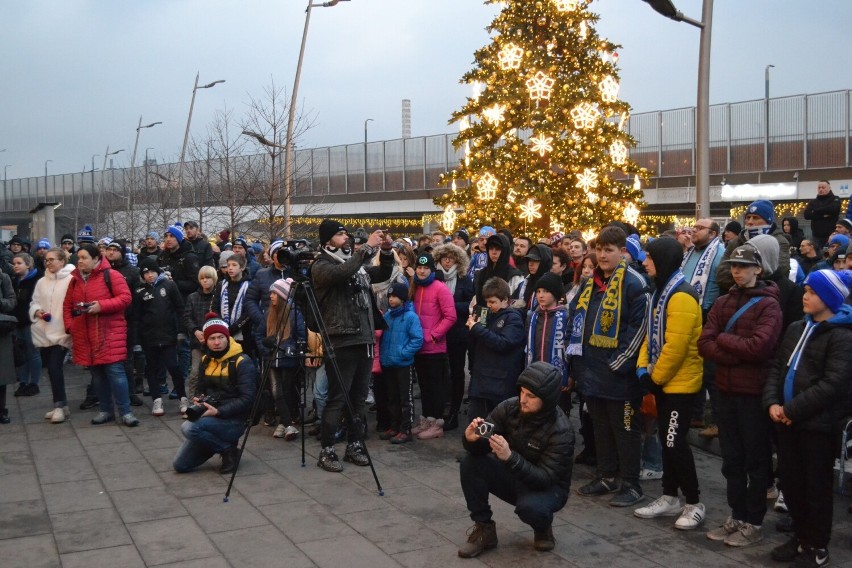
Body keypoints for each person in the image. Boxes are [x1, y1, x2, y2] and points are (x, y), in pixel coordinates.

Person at [763, 269, 852, 567]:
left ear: (828, 298)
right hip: (787, 421)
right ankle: (800, 537)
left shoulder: (841, 337)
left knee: (815, 488)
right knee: (792, 484)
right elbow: (777, 367)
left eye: (812, 292)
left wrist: (791, 410)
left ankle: (817, 543)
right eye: (806, 291)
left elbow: (832, 384)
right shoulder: (797, 327)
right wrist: (773, 403)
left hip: (817, 426)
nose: (805, 295)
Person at [698, 244, 782, 547]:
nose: (737, 270)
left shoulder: (769, 305)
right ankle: (737, 513)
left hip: (753, 394)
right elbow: (704, 343)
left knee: (755, 460)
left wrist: (723, 342)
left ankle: (754, 521)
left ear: (758, 269)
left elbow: (760, 347)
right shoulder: (723, 301)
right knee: (731, 459)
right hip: (725, 391)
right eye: (734, 264)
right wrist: (735, 350)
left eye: (745, 265)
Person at [458, 362, 574, 558]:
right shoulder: (508, 407)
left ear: (547, 400)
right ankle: (484, 528)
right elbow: (482, 442)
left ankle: (543, 527)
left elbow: (546, 478)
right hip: (514, 473)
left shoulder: (561, 431)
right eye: (522, 392)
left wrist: (510, 458)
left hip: (549, 488)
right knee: (470, 463)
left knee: (531, 508)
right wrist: (471, 438)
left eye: (531, 396)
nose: (523, 399)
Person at [569, 226, 649, 507]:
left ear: (622, 252)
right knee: (600, 427)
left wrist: (619, 363)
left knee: (625, 429)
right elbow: (575, 320)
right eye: (599, 249)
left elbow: (639, 328)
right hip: (592, 372)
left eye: (609, 250)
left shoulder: (635, 283)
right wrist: (577, 364)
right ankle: (606, 476)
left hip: (620, 375)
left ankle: (631, 483)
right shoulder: (590, 283)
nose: (602, 255)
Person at [632, 238, 706, 530]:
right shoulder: (660, 292)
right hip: (663, 382)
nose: (645, 262)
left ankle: (694, 501)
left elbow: (675, 346)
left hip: (680, 385)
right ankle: (669, 496)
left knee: (675, 443)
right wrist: (642, 369)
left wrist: (655, 378)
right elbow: (651, 336)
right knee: (667, 441)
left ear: (662, 261)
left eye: (649, 257)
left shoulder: (681, 296)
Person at [311, 220, 393, 472]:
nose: (345, 237)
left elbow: (381, 274)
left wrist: (387, 252)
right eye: (339, 234)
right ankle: (327, 450)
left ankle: (354, 445)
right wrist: (366, 248)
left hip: (364, 338)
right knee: (338, 397)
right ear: (326, 241)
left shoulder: (355, 264)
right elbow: (342, 273)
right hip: (341, 337)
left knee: (357, 398)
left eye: (345, 233)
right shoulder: (321, 265)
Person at [63, 244, 140, 427]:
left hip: (110, 332)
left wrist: (102, 306)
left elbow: (125, 298)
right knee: (97, 376)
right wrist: (70, 326)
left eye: (84, 257)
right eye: (78, 258)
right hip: (86, 335)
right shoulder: (75, 280)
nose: (80, 261)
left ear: (96, 258)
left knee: (116, 373)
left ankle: (125, 412)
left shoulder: (111, 275)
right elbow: (67, 306)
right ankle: (106, 410)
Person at [173, 314, 258, 474]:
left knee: (188, 427)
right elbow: (200, 389)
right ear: (206, 340)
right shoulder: (206, 360)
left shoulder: (242, 362)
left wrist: (219, 411)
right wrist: (199, 399)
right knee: (180, 465)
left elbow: (248, 399)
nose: (217, 342)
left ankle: (227, 449)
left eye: (220, 337)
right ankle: (219, 444)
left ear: (228, 338)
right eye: (212, 338)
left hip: (234, 421)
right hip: (210, 418)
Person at [132, 257, 188, 417]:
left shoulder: (169, 286)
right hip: (149, 337)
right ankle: (157, 399)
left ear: (158, 271)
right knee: (151, 368)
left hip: (169, 336)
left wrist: (180, 331)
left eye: (152, 272)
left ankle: (183, 396)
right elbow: (136, 317)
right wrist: (137, 340)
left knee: (173, 366)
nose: (150, 275)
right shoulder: (139, 291)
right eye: (146, 273)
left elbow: (179, 308)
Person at [410, 252, 457, 439]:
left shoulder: (440, 288)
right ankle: (426, 420)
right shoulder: (414, 287)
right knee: (424, 386)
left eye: (425, 268)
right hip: (418, 346)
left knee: (436, 387)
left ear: (431, 269)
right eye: (419, 268)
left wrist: (433, 335)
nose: (421, 271)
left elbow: (450, 316)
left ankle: (436, 423)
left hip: (434, 347)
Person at [465, 277, 525, 423]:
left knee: (495, 425)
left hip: (499, 384)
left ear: (505, 300)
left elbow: (503, 344)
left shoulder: (513, 319)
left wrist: (477, 329)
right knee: (476, 423)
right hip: (483, 380)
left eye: (493, 302)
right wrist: (472, 328)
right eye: (487, 301)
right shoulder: (488, 315)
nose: (489, 305)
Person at [29, 248, 74, 423]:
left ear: (62, 261)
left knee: (55, 368)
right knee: (51, 370)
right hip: (44, 331)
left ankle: (59, 406)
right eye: (46, 260)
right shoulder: (41, 282)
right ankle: (62, 405)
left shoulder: (71, 280)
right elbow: (35, 301)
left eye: (52, 259)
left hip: (63, 332)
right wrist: (37, 311)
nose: (48, 262)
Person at [432, 242, 473, 431]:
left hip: (457, 333)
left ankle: (454, 411)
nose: (447, 262)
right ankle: (440, 408)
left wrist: (449, 306)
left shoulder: (464, 279)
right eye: (444, 258)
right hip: (437, 331)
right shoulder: (434, 278)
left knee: (457, 371)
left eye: (451, 258)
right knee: (440, 373)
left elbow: (470, 304)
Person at [379, 280, 424, 444]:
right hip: (389, 362)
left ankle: (405, 429)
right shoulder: (388, 316)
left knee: (405, 398)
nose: (391, 299)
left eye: (395, 296)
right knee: (392, 397)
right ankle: (394, 426)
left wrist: (404, 353)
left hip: (403, 363)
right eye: (390, 296)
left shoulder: (410, 316)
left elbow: (417, 339)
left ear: (403, 298)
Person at [260, 278, 305, 440]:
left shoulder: (294, 313)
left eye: (274, 293)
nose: (271, 296)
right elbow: (259, 334)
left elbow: (301, 336)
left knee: (287, 391)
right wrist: (265, 345)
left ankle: (284, 423)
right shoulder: (268, 312)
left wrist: (290, 348)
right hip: (272, 359)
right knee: (276, 392)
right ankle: (287, 425)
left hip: (288, 359)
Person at [717, 200, 791, 294]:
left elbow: (777, 272)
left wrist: (744, 279)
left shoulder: (780, 241)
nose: (750, 222)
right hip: (736, 296)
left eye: (755, 218)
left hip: (766, 296)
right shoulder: (736, 242)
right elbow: (721, 275)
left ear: (768, 220)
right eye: (748, 217)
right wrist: (747, 278)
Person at [524, 272, 570, 413]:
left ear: (555, 294)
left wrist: (570, 376)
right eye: (538, 291)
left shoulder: (565, 316)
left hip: (558, 378)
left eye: (546, 291)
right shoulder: (532, 317)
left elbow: (569, 350)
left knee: (558, 414)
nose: (541, 295)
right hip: (536, 376)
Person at [11, 253, 42, 396]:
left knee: (33, 353)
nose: (15, 266)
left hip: (32, 322)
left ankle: (34, 383)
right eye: (14, 263)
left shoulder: (37, 280)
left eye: (19, 263)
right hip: (18, 322)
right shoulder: (14, 281)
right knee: (22, 353)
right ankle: (23, 382)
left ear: (28, 265)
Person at [184, 266, 219, 397]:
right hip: (197, 341)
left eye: (208, 278)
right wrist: (196, 331)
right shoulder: (192, 297)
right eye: (202, 278)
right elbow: (187, 317)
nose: (205, 281)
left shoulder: (217, 297)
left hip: (214, 340)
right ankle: (192, 401)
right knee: (194, 373)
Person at [803, 180, 841, 251]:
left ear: (829, 188)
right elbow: (807, 215)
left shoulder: (835, 199)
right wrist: (823, 215)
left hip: (831, 235)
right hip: (816, 236)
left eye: (823, 187)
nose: (821, 189)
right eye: (819, 187)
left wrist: (815, 210)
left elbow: (833, 209)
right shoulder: (813, 202)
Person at [0, 270, 16, 423]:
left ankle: (1, 410)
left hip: (1, 331)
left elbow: (11, 301)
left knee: (1, 375)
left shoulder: (3, 278)